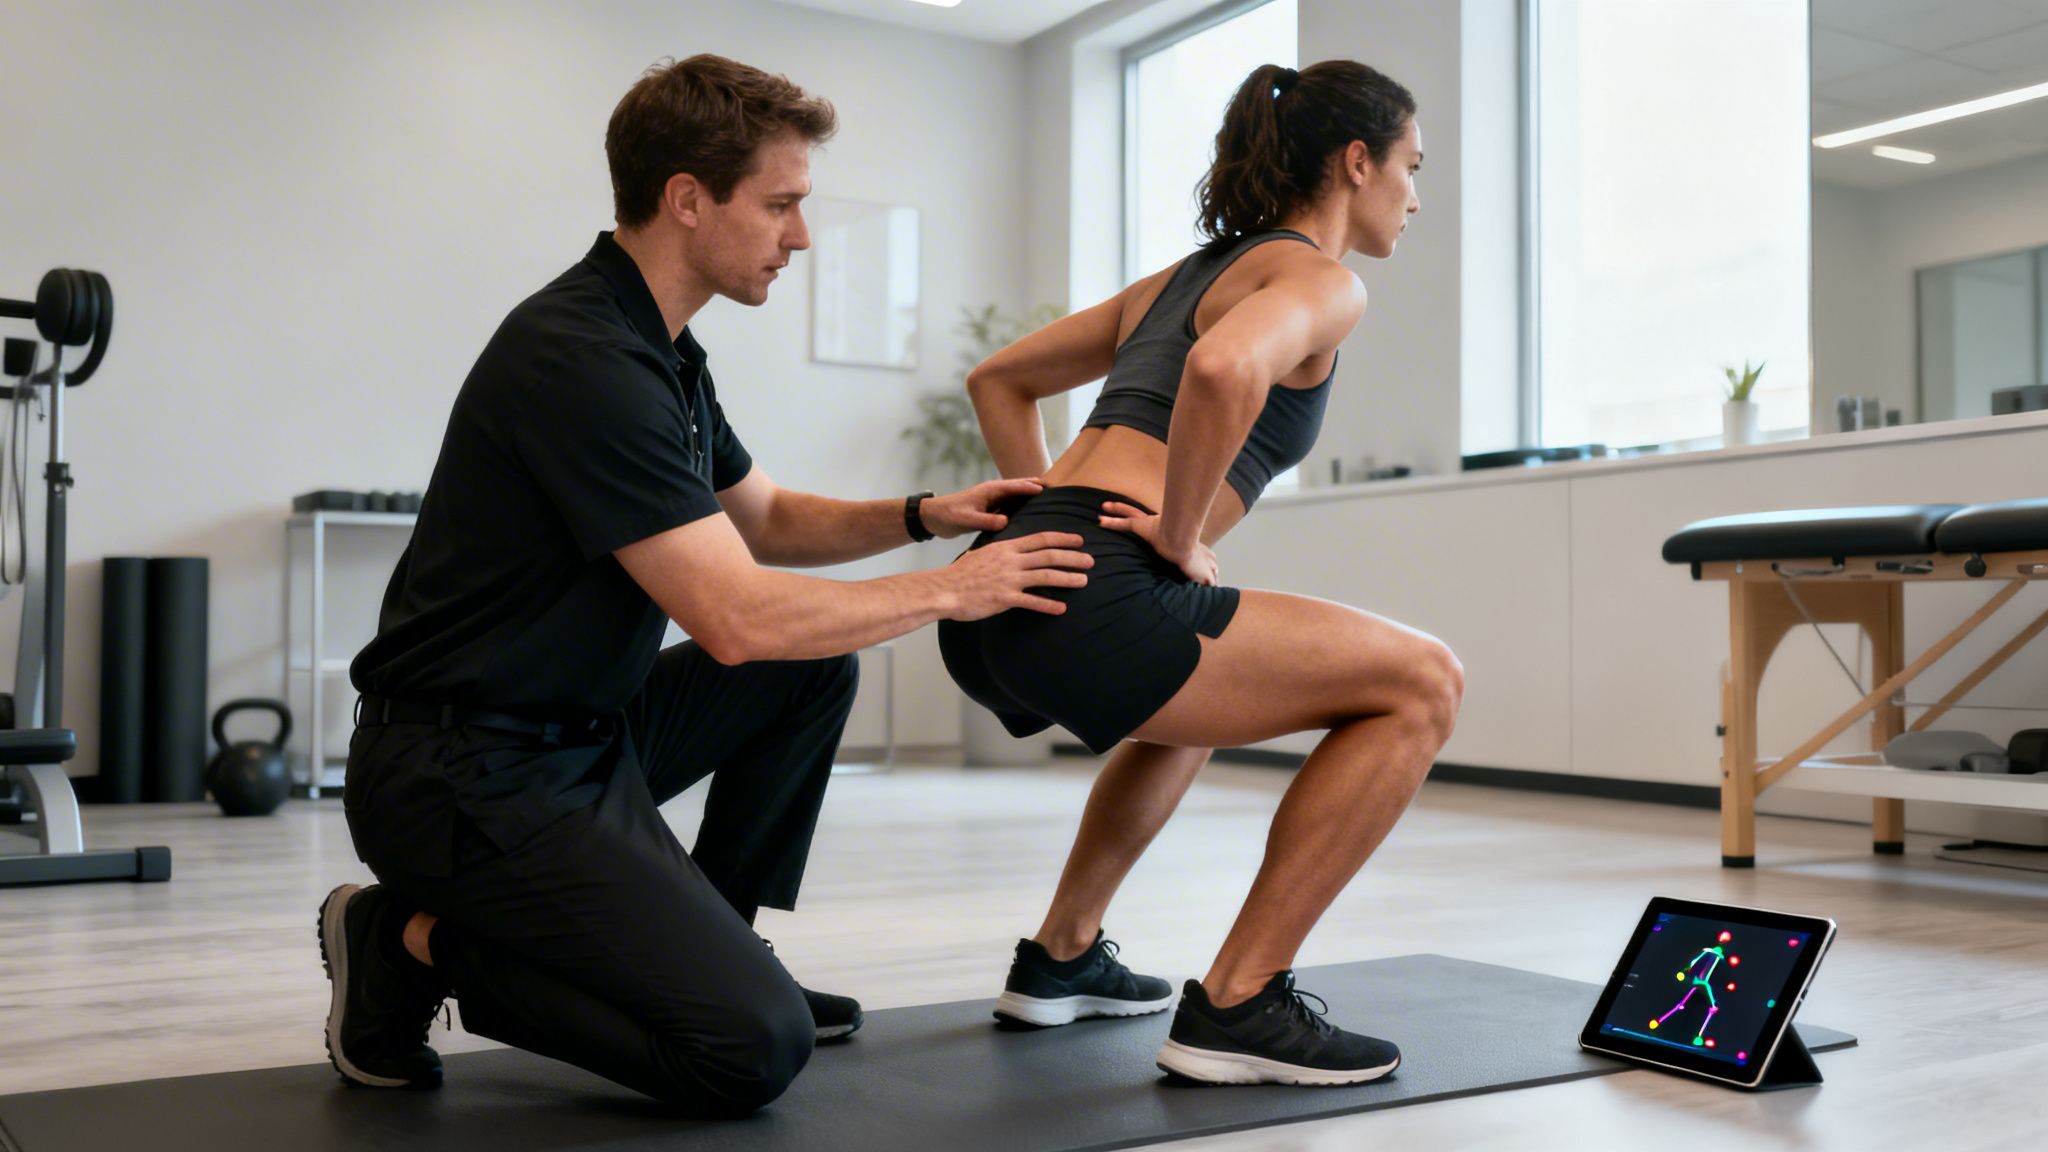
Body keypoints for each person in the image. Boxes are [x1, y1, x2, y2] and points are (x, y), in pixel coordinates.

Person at [319, 54, 1092, 1116]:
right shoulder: (582, 357)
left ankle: (719, 950)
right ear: (687, 199)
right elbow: (734, 618)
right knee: (745, 1051)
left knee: (809, 679)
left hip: (582, 737)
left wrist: (925, 516)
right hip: (461, 774)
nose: (802, 236)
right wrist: (954, 591)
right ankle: (404, 940)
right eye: (780, 205)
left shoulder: (666, 351)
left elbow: (766, 520)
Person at [939, 60, 1460, 1086]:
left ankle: (1059, 957)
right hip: (1093, 591)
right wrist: (1176, 533)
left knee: (1197, 710)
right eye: (1409, 165)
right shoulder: (1321, 279)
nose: (1414, 192)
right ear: (1356, 163)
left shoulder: (1183, 277)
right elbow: (1227, 370)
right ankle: (1239, 1003)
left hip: (997, 588)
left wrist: (1043, 512)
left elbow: (996, 377)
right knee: (1424, 681)